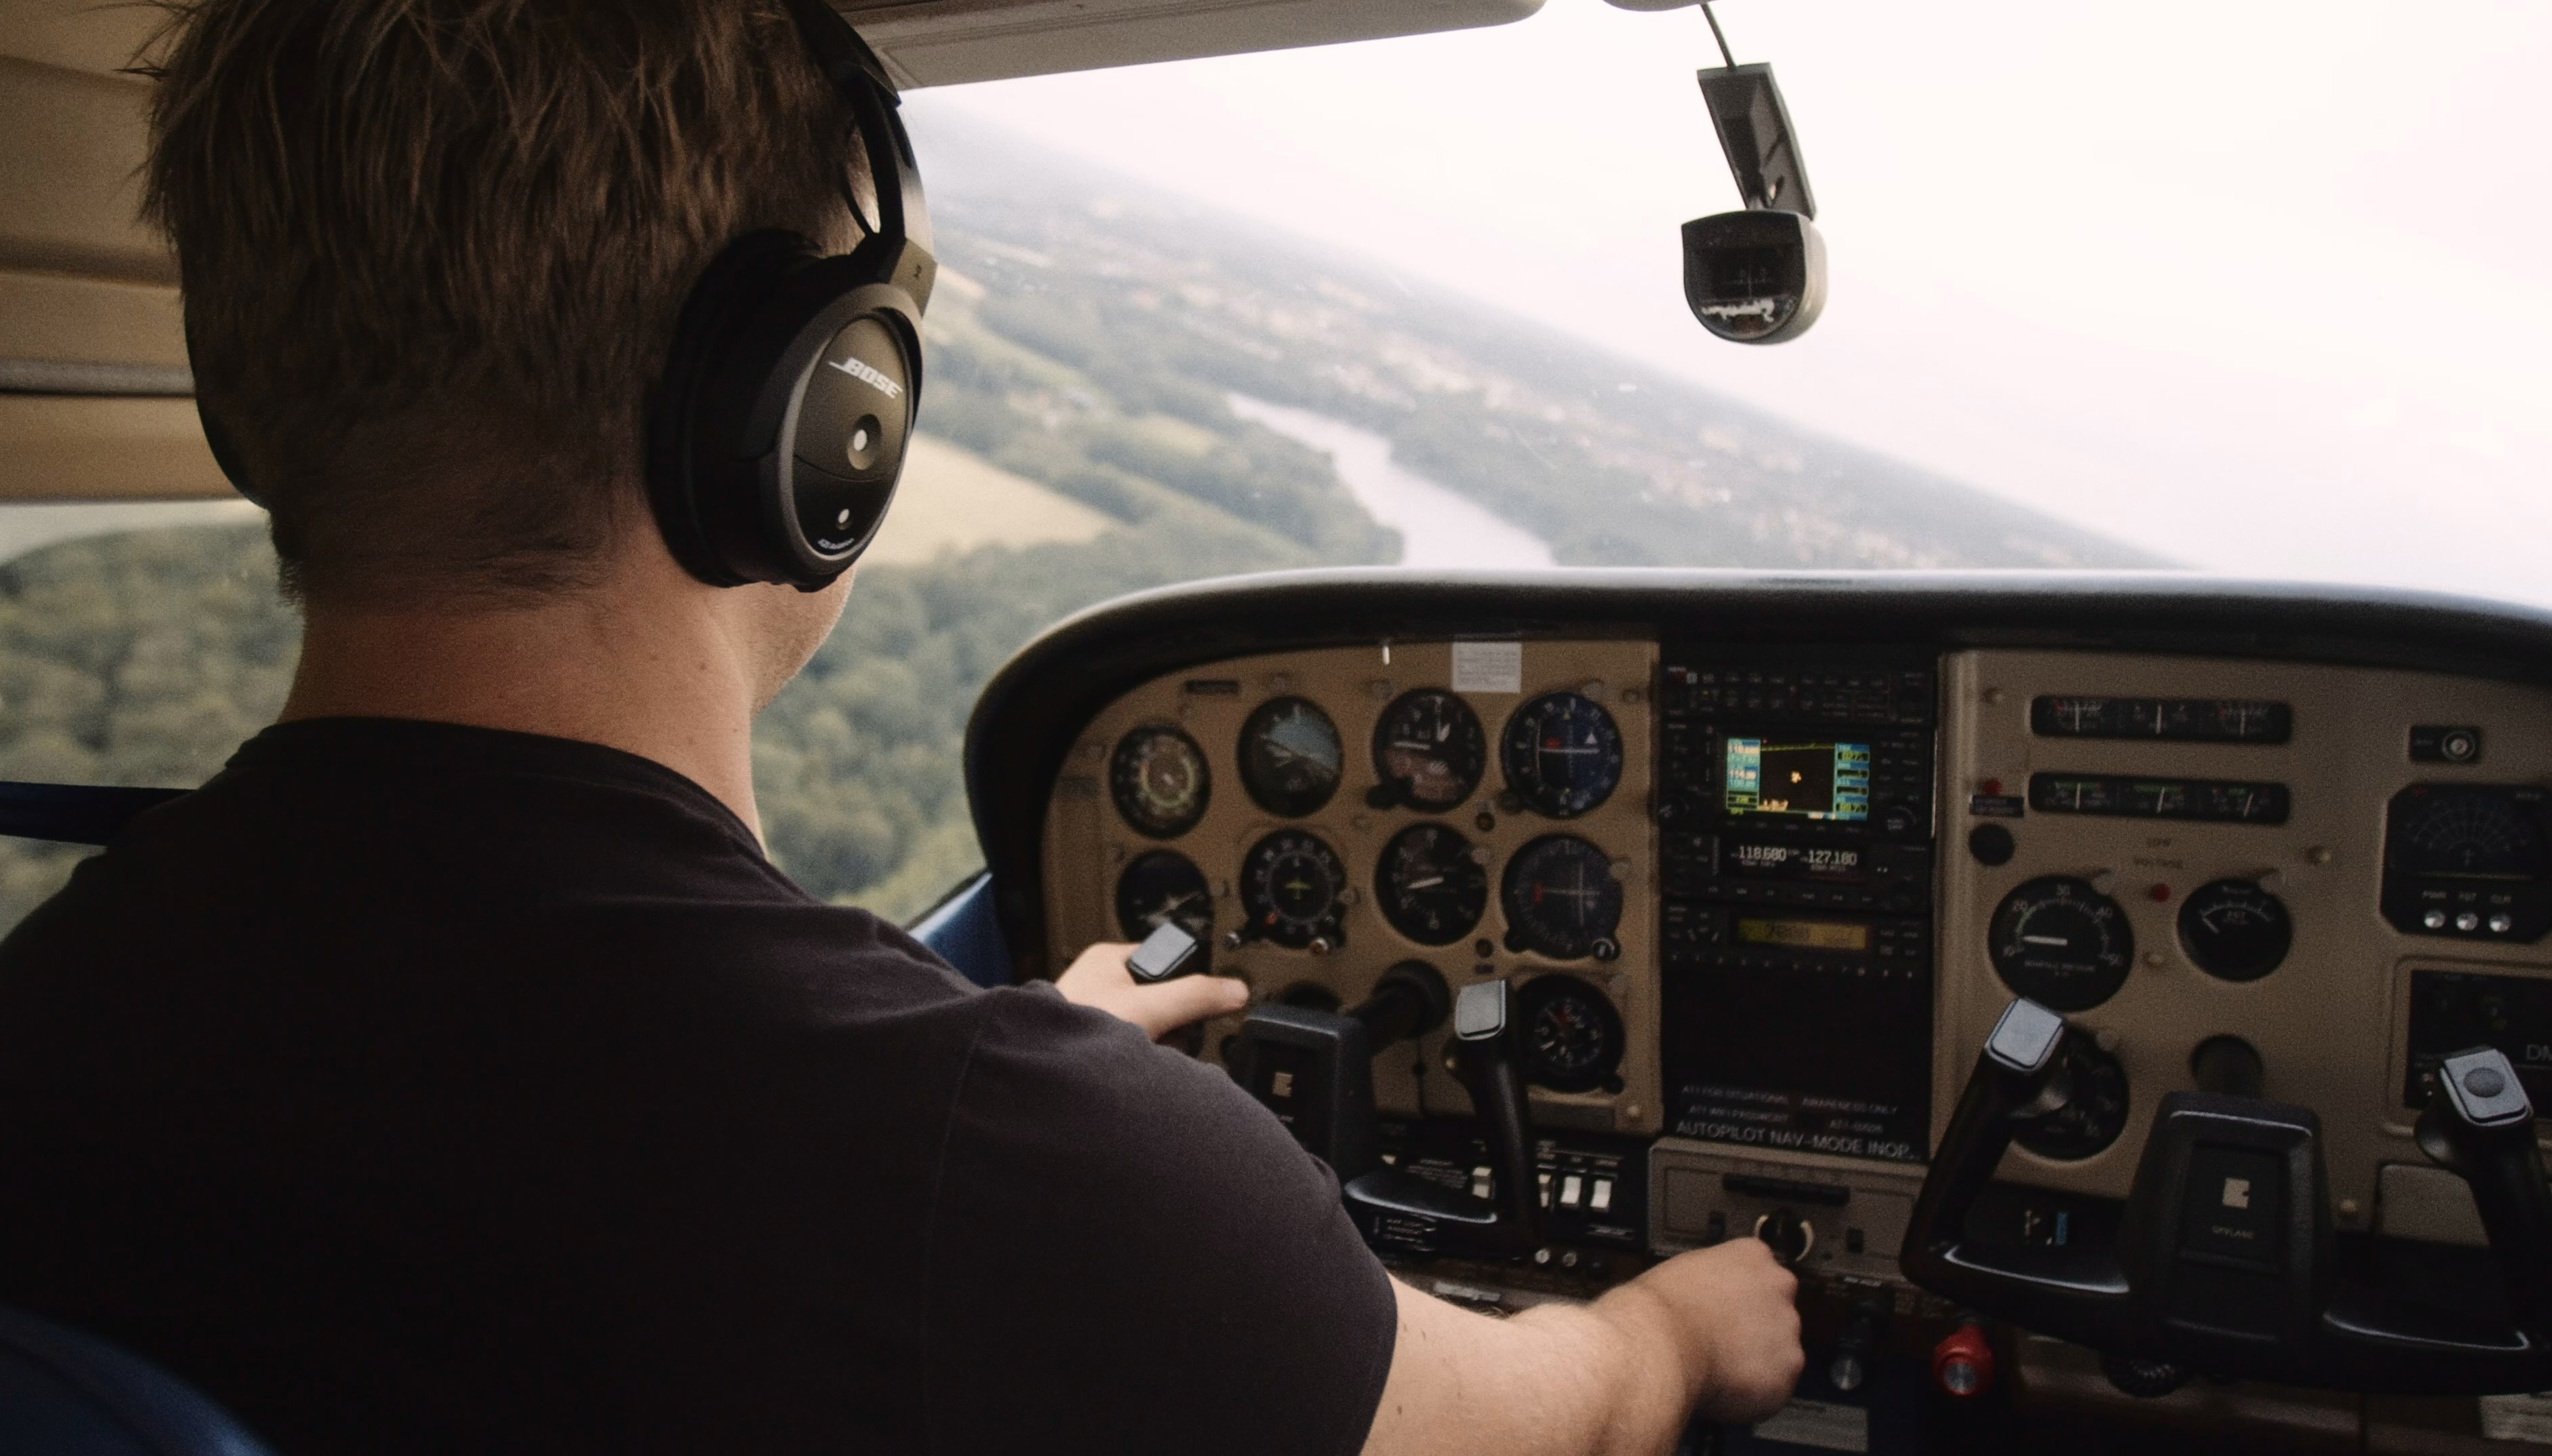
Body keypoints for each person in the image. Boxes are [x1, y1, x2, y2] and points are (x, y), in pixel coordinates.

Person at [0, 0, 1804, 1451]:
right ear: (813, 433)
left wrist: (1017, 1078)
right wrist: (1673, 1329)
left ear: (247, 411)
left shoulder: (57, 1007)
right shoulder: (1016, 1198)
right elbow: (1547, 1418)